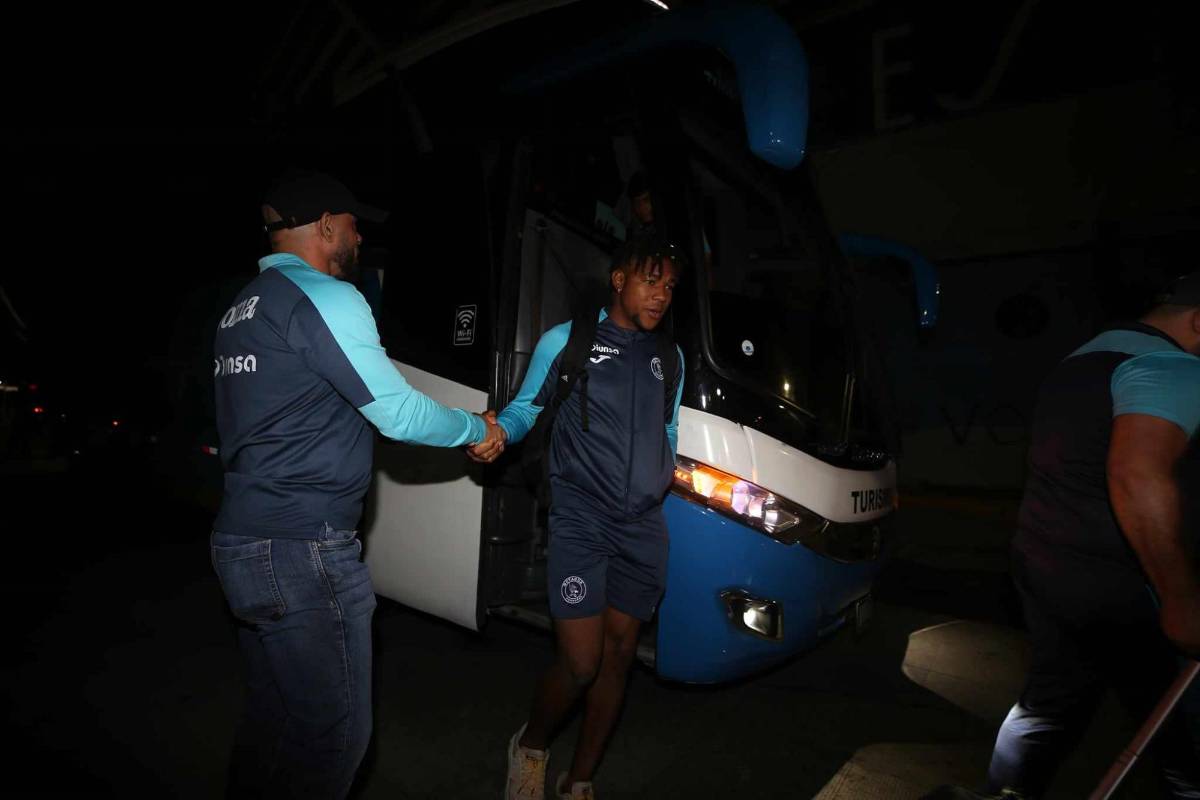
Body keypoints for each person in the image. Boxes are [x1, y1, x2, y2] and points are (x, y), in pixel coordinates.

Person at [210, 169, 504, 799]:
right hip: (303, 549)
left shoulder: (241, 307)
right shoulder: (327, 297)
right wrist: (474, 426)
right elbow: (395, 411)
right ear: (323, 225)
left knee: (272, 721)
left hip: (241, 540)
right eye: (351, 222)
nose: (358, 235)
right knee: (333, 736)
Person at [927, 271, 1200, 800]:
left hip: (1051, 567)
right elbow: (1138, 475)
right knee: (1180, 733)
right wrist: (1181, 598)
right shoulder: (1170, 367)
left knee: (1047, 705)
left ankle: (1006, 794)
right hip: (1130, 586)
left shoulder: (1081, 361)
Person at [474, 235, 684, 800]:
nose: (661, 295)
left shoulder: (670, 357)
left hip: (642, 527)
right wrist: (498, 433)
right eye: (650, 280)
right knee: (582, 661)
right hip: (582, 521)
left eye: (669, 286)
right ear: (619, 280)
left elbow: (668, 430)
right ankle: (532, 746)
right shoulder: (567, 342)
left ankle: (581, 779)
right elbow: (526, 408)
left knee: (619, 657)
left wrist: (662, 475)